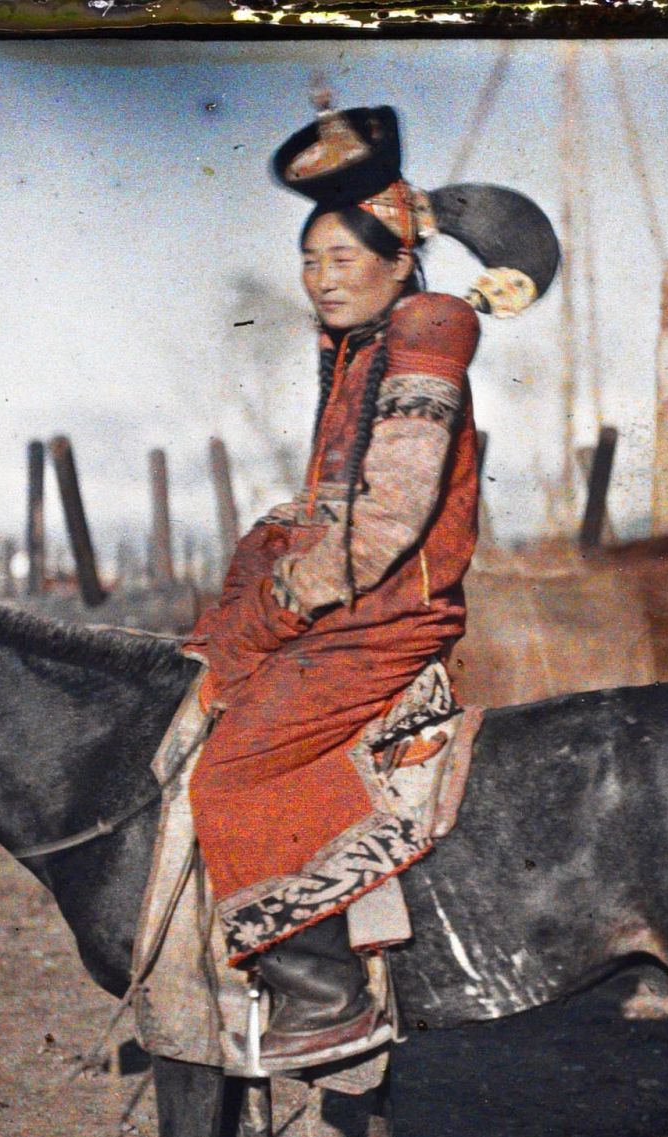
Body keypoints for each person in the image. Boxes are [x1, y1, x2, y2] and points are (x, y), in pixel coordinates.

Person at [181, 100, 555, 1067]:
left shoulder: (428, 328)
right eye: (310, 262)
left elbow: (389, 517)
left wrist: (283, 602)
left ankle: (325, 991)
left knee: (232, 766)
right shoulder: (354, 350)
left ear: (399, 264)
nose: (321, 279)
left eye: (344, 260)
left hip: (389, 614)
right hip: (351, 601)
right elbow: (335, 500)